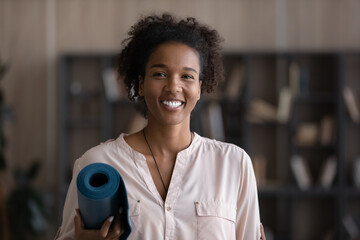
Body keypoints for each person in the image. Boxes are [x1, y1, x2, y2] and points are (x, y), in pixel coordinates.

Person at [55, 13, 265, 240]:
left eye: (187, 76)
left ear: (199, 88)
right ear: (141, 84)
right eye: (160, 74)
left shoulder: (234, 164)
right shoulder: (97, 165)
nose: (174, 86)